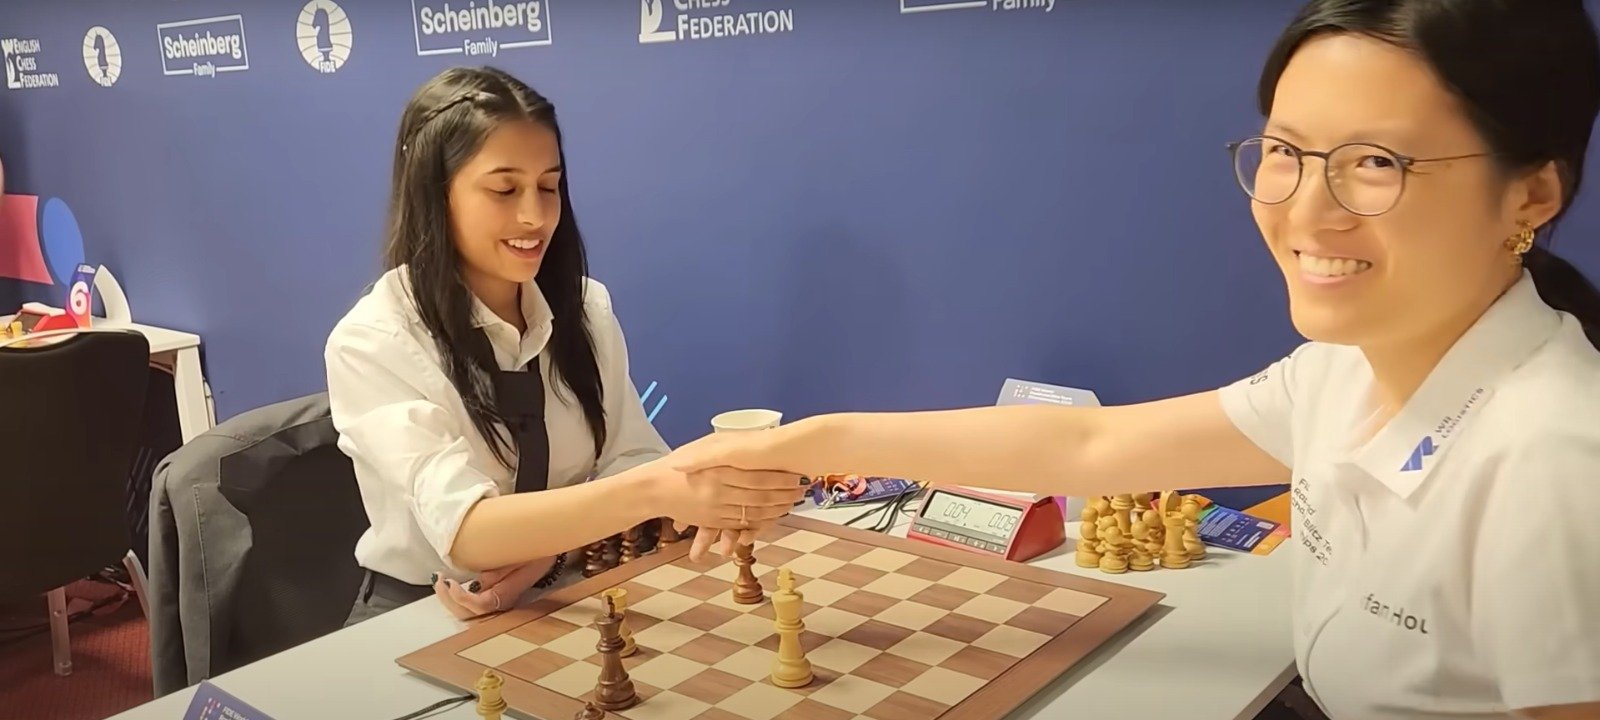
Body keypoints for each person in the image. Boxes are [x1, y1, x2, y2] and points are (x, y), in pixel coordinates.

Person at [668, 1, 1600, 718]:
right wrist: (804, 444)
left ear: (1531, 194)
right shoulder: (1344, 370)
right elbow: (1088, 446)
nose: (1307, 210)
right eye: (1285, 151)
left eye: (1377, 163)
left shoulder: (1555, 462)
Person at [325, 66, 804, 626]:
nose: (535, 216)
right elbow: (469, 534)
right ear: (435, 193)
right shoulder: (373, 341)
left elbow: (630, 458)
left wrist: (553, 551)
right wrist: (656, 491)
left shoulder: (585, 308)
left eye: (549, 187)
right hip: (423, 615)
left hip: (566, 593)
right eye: (504, 190)